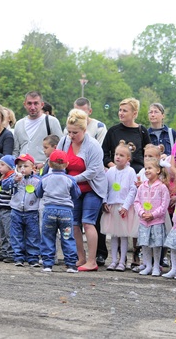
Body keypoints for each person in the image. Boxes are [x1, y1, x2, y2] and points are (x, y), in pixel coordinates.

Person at [57, 109, 107, 272]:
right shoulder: (64, 142)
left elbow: (93, 171)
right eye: (69, 132)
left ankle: (92, 261)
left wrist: (72, 179)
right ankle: (81, 257)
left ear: (84, 130)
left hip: (92, 187)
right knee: (74, 224)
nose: (71, 135)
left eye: (75, 133)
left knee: (88, 222)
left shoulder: (93, 146)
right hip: (74, 189)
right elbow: (57, 161)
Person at [35, 150, 81, 273]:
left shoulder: (45, 178)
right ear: (67, 164)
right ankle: (71, 264)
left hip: (49, 210)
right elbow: (76, 194)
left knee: (48, 237)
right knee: (67, 237)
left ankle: (47, 264)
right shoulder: (70, 179)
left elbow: (38, 193)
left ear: (49, 164)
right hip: (65, 212)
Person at [101, 141, 138, 272]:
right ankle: (114, 260)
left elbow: (133, 190)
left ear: (128, 158)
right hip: (112, 206)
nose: (118, 157)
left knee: (123, 235)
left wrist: (126, 206)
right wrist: (105, 201)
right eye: (116, 154)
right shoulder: (110, 171)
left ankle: (122, 261)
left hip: (123, 207)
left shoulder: (130, 171)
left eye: (121, 155)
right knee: (113, 235)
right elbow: (105, 187)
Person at [133, 158, 170, 277]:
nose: (147, 170)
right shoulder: (142, 187)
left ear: (158, 170)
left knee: (156, 244)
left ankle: (156, 266)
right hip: (144, 221)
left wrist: (153, 214)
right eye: (146, 168)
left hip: (156, 221)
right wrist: (142, 213)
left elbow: (164, 205)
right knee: (145, 244)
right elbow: (137, 201)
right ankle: (147, 265)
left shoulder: (162, 187)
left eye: (150, 168)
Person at [13, 91, 63, 169]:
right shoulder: (19, 124)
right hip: (22, 170)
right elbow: (15, 150)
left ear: (42, 105)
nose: (32, 107)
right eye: (29, 103)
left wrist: (44, 164)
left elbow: (60, 148)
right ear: (24, 105)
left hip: (43, 170)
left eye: (36, 103)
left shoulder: (51, 121)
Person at [103, 98, 151, 174]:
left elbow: (149, 154)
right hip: (117, 173)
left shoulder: (142, 131)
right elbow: (104, 154)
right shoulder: (113, 131)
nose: (121, 113)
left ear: (134, 114)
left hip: (138, 173)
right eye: (120, 110)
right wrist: (114, 167)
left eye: (124, 111)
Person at [9, 154, 42, 267]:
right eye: (19, 166)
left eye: (25, 166)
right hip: (16, 210)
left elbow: (41, 193)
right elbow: (4, 186)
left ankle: (33, 258)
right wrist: (13, 181)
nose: (22, 169)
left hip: (32, 211)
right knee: (16, 235)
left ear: (33, 168)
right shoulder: (14, 178)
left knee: (33, 235)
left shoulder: (38, 180)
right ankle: (18, 257)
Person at [0, 155, 17, 263]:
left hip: (8, 208)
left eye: (2, 165)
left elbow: (10, 190)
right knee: (2, 232)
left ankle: (11, 253)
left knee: (9, 232)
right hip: (1, 208)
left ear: (10, 166)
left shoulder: (12, 177)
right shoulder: (3, 177)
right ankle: (4, 251)